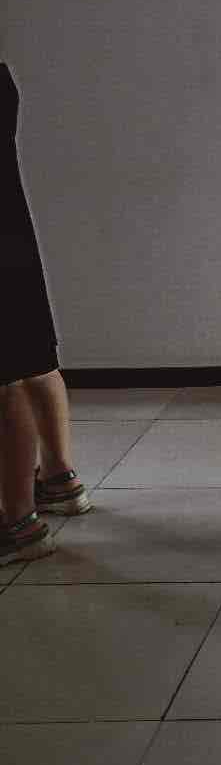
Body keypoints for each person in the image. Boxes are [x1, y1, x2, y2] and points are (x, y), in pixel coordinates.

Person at [1, 61, 89, 566]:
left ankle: (16, 523)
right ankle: (58, 479)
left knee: (5, 381)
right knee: (34, 358)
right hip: (11, 235)